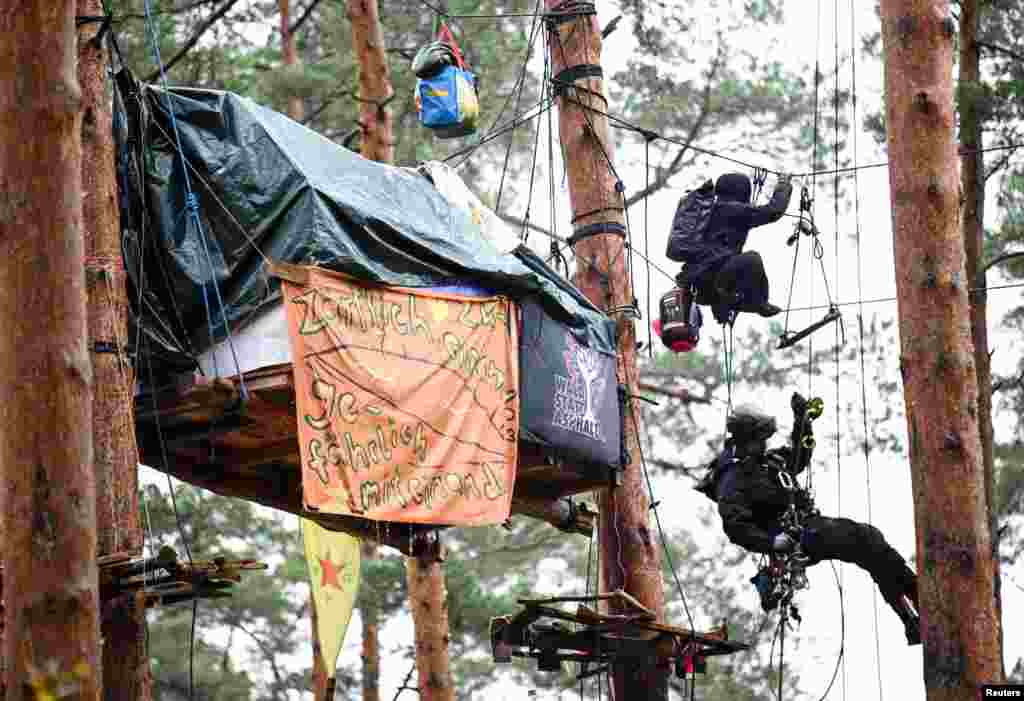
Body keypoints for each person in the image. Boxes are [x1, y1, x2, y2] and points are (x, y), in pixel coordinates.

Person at [695, 394, 921, 645]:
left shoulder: (764, 462)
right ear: (747, 438)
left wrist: (802, 421)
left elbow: (799, 457)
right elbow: (735, 526)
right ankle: (919, 597)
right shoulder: (733, 476)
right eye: (760, 440)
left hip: (806, 527)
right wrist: (772, 542)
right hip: (795, 538)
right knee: (866, 538)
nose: (764, 445)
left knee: (872, 550)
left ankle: (911, 619)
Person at [674, 172, 793, 325]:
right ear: (742, 192)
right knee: (751, 259)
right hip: (715, 276)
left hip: (697, 286)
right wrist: (783, 184)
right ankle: (760, 303)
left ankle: (722, 305)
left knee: (732, 264)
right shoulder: (734, 210)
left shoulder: (707, 210)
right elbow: (774, 211)